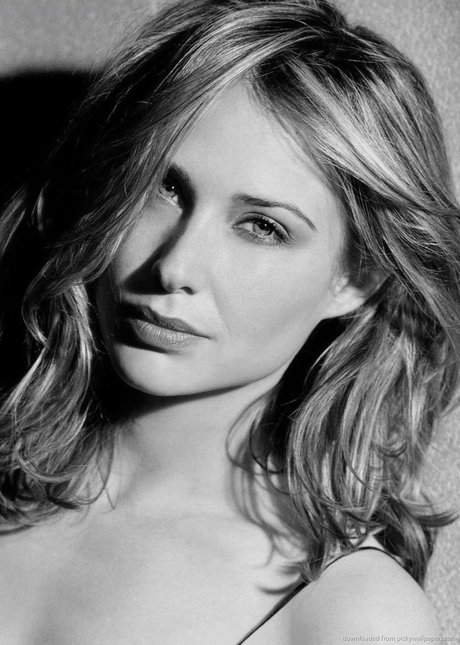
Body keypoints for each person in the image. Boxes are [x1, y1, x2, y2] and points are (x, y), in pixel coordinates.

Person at [0, 0, 458, 642]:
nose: (174, 267)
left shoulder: (352, 617)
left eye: (262, 226)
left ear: (356, 278)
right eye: (161, 188)